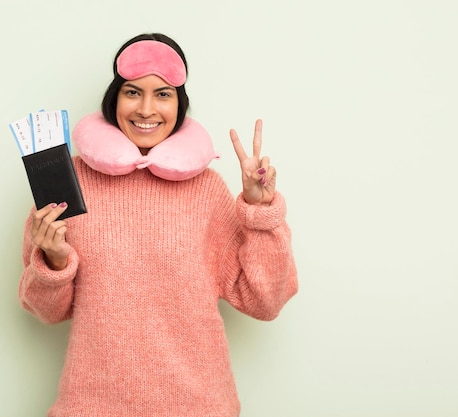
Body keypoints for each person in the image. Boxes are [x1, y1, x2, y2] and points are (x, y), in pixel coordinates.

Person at [18, 33, 298, 417]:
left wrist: (261, 211)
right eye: (132, 92)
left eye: (163, 94)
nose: (146, 109)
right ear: (114, 98)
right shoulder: (68, 183)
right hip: (92, 405)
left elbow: (264, 302)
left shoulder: (208, 189)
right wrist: (53, 261)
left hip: (198, 405)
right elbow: (46, 313)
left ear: (179, 104)